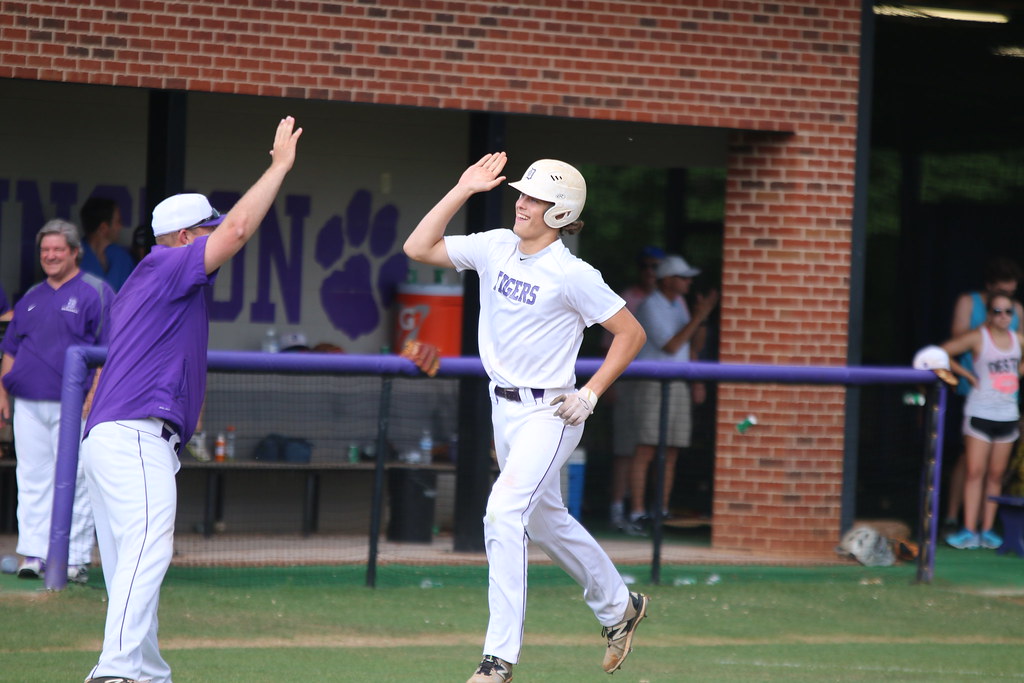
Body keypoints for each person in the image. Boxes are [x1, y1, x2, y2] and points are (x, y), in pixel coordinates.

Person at [404, 154, 650, 682]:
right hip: (504, 406)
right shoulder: (496, 244)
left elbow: (631, 334)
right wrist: (463, 188)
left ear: (561, 212)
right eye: (522, 194)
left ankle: (498, 660)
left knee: (503, 514)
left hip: (551, 411)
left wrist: (591, 393)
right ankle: (620, 607)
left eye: (536, 199)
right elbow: (418, 248)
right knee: (545, 520)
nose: (522, 203)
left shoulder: (573, 273)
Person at [79, 115, 301, 683]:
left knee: (135, 565)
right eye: (207, 229)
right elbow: (240, 229)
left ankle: (145, 672)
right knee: (148, 550)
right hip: (133, 435)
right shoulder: (167, 264)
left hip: (117, 436)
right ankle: (115, 671)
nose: (217, 236)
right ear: (183, 237)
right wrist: (279, 167)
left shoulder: (152, 281)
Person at [0, 219, 113, 583]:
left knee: (76, 480)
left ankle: (74, 559)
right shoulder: (32, 296)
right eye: (45, 250)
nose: (50, 256)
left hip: (74, 403)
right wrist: (2, 392)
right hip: (28, 403)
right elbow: (11, 349)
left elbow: (107, 350)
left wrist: (94, 394)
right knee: (32, 477)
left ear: (75, 252)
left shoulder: (96, 291)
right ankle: (34, 553)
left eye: (58, 249)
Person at [627, 254, 719, 534]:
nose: (689, 282)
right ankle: (637, 513)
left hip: (678, 382)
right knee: (646, 448)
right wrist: (699, 316)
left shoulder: (679, 304)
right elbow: (671, 345)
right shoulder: (649, 305)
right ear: (667, 280)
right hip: (653, 382)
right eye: (683, 277)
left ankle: (661, 511)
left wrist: (703, 318)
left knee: (672, 449)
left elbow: (692, 345)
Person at [944, 257, 1024, 530]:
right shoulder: (969, 302)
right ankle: (954, 515)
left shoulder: (1017, 310)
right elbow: (955, 338)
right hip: (973, 387)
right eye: (1001, 291)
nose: (1005, 311)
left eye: (1011, 294)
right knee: (968, 458)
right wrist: (990, 329)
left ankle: (984, 525)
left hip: (1005, 394)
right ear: (989, 286)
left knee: (995, 468)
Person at [607, 245, 664, 531]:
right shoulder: (627, 298)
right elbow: (608, 345)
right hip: (627, 383)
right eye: (647, 266)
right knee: (625, 450)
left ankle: (641, 513)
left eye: (657, 267)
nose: (651, 272)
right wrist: (609, 384)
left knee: (648, 448)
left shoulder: (670, 301)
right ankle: (618, 510)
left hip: (654, 386)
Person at [80, 196, 136, 292]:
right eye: (118, 221)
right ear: (104, 228)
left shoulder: (123, 258)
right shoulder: (72, 258)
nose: (120, 226)